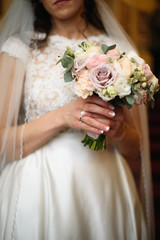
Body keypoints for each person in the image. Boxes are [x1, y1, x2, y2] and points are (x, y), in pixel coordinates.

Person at [0, 0, 154, 239]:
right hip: (38, 187)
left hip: (104, 187)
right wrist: (62, 116)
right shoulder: (19, 49)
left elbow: (135, 149)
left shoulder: (118, 51)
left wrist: (119, 130)